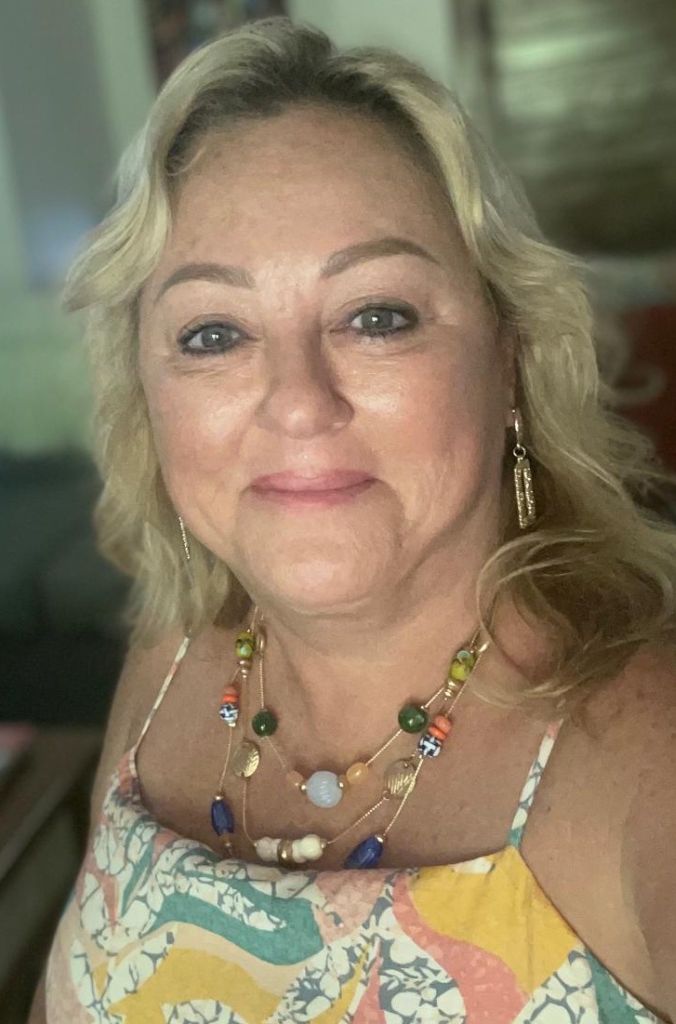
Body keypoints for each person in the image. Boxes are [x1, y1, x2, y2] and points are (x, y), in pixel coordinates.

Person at [33, 17, 676, 1023]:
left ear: (508, 357)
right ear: (147, 398)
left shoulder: (647, 763)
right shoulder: (166, 663)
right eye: (213, 333)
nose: (299, 402)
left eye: (378, 316)